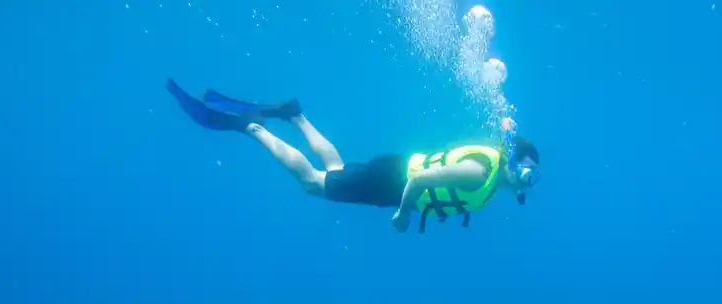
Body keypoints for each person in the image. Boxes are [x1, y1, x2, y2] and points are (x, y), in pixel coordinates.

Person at [166, 80, 539, 233]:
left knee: (336, 169)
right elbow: (423, 180)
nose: (527, 178)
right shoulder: (479, 172)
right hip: (395, 184)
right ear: (510, 158)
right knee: (314, 183)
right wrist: (405, 214)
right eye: (525, 168)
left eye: (532, 176)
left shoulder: (492, 179)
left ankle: (295, 115)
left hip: (392, 174)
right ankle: (252, 128)